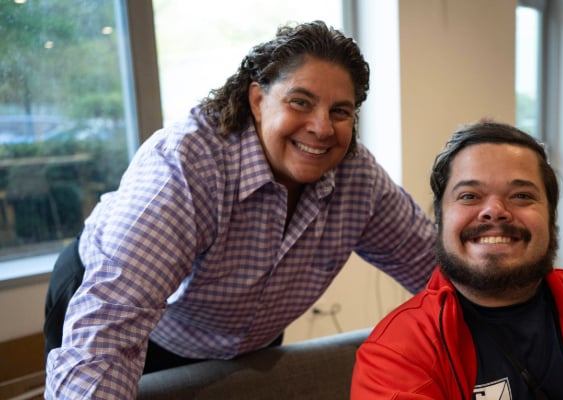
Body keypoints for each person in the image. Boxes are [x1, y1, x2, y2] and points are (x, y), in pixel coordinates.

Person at [44, 21, 437, 399]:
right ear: (257, 100)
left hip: (247, 334)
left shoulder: (358, 179)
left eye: (340, 112)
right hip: (136, 319)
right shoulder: (188, 167)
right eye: (300, 102)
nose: (322, 128)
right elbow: (108, 333)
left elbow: (435, 268)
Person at [350, 121, 563, 399]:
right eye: (469, 195)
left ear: (550, 218)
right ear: (439, 221)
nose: (494, 211)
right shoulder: (399, 351)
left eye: (521, 196)